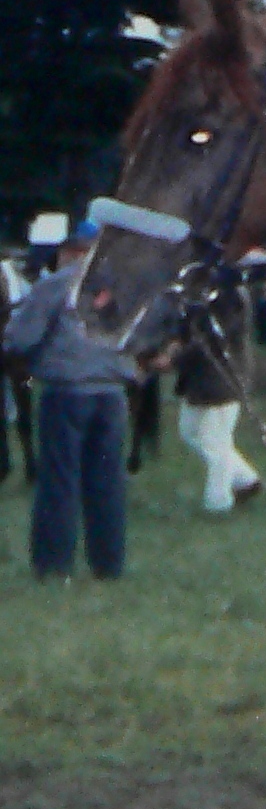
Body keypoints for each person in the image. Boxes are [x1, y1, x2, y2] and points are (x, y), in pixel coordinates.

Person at [3, 218, 136, 579]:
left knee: (60, 479)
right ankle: (108, 565)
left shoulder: (58, 285)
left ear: (74, 251)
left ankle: (54, 565)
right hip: (113, 393)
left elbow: (21, 338)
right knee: (107, 481)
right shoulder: (126, 289)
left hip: (67, 392)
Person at [173, 283, 263, 512]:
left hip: (224, 375)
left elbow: (215, 337)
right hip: (200, 378)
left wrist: (175, 358)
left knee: (216, 442)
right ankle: (245, 479)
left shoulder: (230, 294)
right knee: (190, 431)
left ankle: (218, 503)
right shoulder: (197, 288)